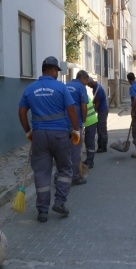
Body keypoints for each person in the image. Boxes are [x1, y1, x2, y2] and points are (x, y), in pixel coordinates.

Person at [18, 57, 80, 223]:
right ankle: (59, 202)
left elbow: (22, 112)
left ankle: (42, 211)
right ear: (53, 71)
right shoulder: (61, 87)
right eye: (57, 72)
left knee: (41, 172)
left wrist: (28, 132)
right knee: (65, 169)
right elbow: (71, 109)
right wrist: (76, 129)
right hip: (59, 134)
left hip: (39, 135)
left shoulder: (30, 89)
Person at [67, 70, 90, 185]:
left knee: (63, 151)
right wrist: (83, 122)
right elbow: (84, 107)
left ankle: (59, 176)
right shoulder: (81, 87)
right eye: (87, 81)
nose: (86, 83)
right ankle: (75, 177)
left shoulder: (65, 85)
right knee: (76, 150)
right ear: (83, 79)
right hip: (75, 123)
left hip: (62, 124)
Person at [88, 78, 108, 153]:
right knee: (99, 128)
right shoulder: (95, 87)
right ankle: (100, 145)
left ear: (91, 82)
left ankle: (103, 146)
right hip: (101, 109)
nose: (88, 86)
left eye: (88, 84)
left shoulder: (98, 88)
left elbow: (98, 102)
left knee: (101, 128)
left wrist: (93, 111)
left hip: (102, 110)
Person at [82, 82, 99, 169]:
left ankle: (90, 161)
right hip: (91, 120)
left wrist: (83, 122)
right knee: (87, 140)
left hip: (90, 121)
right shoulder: (83, 94)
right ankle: (88, 159)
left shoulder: (81, 96)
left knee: (89, 142)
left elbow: (83, 110)